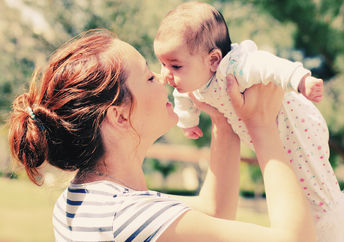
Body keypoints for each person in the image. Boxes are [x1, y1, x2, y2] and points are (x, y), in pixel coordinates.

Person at [8, 29, 315, 241]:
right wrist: (261, 127)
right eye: (149, 76)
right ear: (119, 116)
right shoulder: (127, 217)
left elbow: (214, 211)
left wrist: (223, 119)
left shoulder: (82, 202)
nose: (165, 78)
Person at [153, 2, 344, 241]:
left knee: (315, 185)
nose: (166, 74)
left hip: (296, 127)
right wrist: (187, 122)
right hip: (267, 132)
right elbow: (183, 99)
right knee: (294, 188)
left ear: (213, 60)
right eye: (162, 64)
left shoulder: (235, 67)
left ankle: (333, 225)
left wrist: (300, 79)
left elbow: (268, 65)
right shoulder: (190, 80)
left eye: (175, 65)